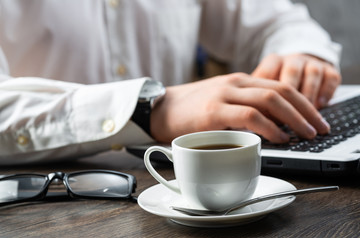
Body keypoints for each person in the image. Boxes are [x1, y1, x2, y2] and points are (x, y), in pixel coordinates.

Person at [0, 0, 341, 165]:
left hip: (183, 190)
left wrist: (302, 57)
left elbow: (277, 22)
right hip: (47, 203)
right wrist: (152, 110)